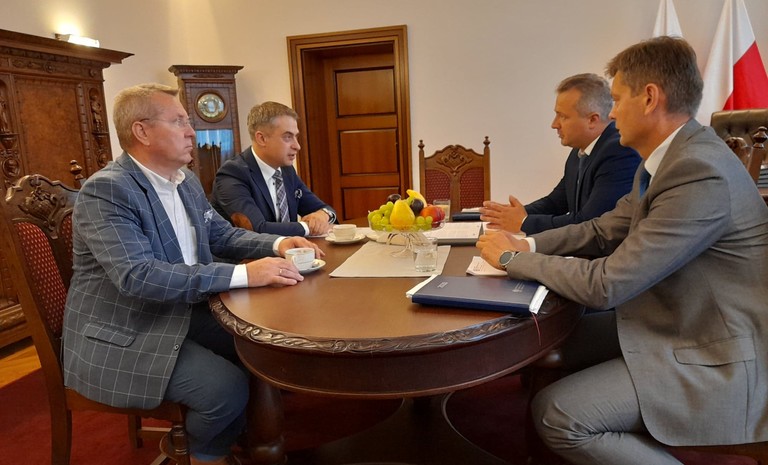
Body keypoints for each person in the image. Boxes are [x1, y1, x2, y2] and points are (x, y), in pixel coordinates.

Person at [477, 36, 768, 464]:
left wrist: (512, 259)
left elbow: (608, 284)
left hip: (713, 352)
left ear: (649, 98)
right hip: (672, 320)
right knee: (538, 338)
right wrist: (527, 243)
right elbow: (603, 229)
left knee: (557, 414)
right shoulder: (670, 158)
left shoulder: (698, 171)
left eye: (615, 99)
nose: (610, 113)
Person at [61, 83, 324, 465]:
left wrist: (278, 244)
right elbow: (139, 276)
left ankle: (244, 435)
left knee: (264, 348)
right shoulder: (107, 191)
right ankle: (201, 453)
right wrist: (244, 275)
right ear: (142, 131)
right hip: (128, 328)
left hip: (181, 310)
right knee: (226, 389)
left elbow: (221, 234)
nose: (192, 132)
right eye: (179, 122)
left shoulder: (184, 181)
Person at [480, 73, 641, 235]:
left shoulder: (619, 152)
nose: (554, 124)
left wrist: (523, 222)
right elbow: (555, 203)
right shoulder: (578, 151)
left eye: (562, 116)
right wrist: (510, 214)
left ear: (592, 120)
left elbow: (589, 222)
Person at [210, 101, 336, 237]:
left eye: (296, 137)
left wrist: (323, 215)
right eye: (287, 137)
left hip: (292, 249)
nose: (297, 146)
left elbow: (321, 208)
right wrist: (308, 227)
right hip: (249, 252)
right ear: (262, 139)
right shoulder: (232, 173)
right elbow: (255, 229)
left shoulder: (286, 171)